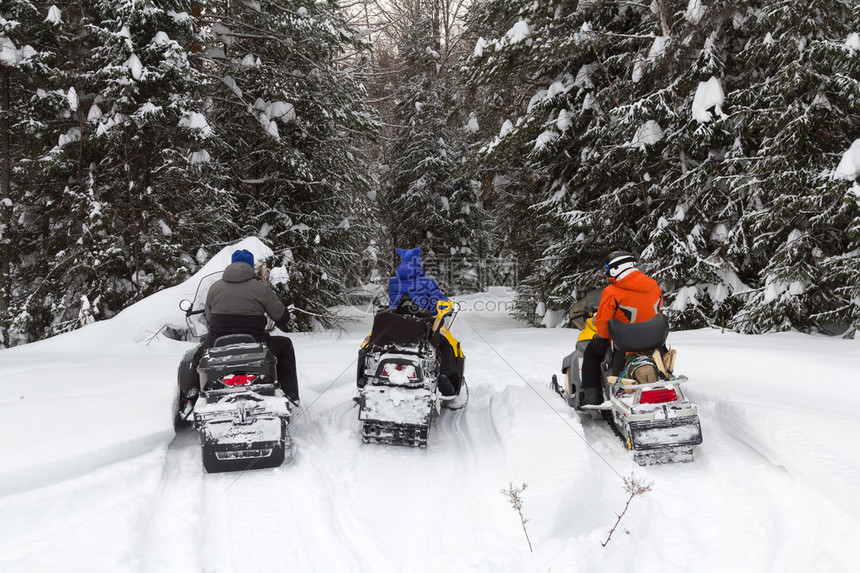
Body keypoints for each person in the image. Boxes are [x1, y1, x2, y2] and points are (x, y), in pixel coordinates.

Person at [190, 249, 300, 404]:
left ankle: (190, 399)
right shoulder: (261, 288)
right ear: (251, 267)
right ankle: (290, 394)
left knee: (195, 357)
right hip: (255, 345)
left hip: (218, 345)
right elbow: (282, 318)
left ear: (232, 265)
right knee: (285, 346)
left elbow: (209, 317)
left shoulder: (214, 288)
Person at [579, 251, 663, 406]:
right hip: (654, 341)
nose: (607, 273)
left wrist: (603, 337)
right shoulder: (653, 286)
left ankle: (592, 398)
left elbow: (603, 324)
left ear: (616, 268)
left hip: (624, 345)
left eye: (607, 269)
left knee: (591, 352)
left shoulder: (612, 292)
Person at [388, 248, 448, 315]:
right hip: (418, 321)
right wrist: (446, 307)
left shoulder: (392, 282)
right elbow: (436, 307)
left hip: (394, 320)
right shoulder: (427, 282)